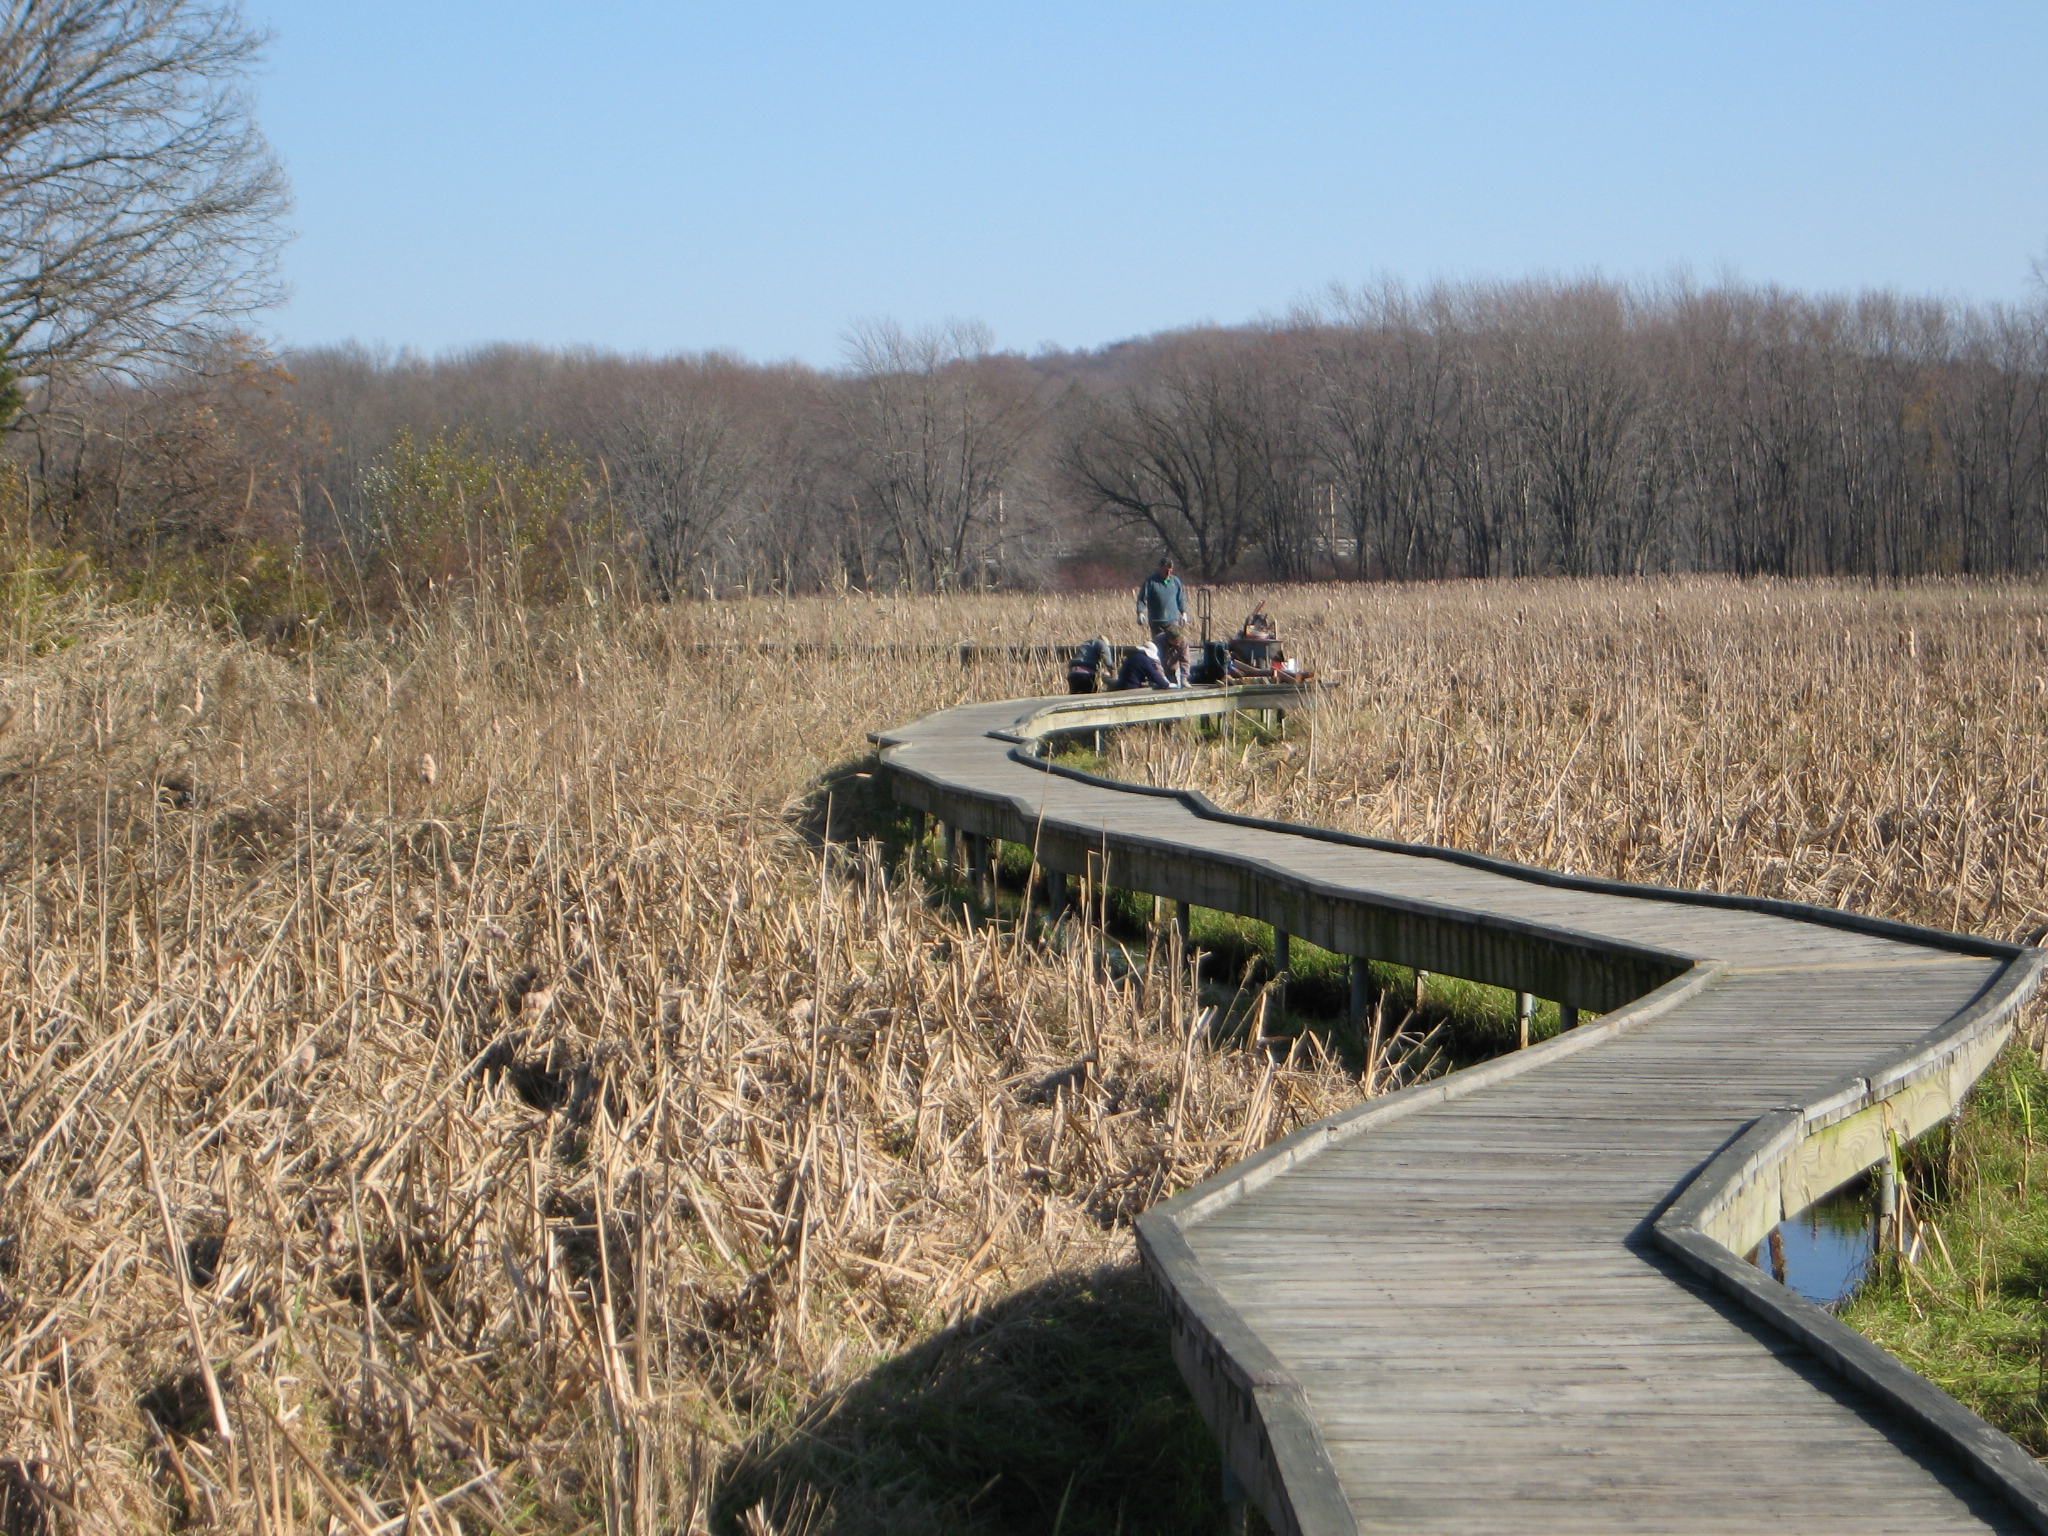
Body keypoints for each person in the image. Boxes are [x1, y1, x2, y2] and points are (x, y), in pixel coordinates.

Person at [1135, 556, 1187, 643]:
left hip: (1172, 619)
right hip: (1157, 621)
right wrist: (1140, 612)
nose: (1168, 573)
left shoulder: (1175, 581)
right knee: (1159, 645)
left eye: (1170, 570)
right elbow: (1142, 598)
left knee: (1175, 643)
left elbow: (1180, 597)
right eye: (1166, 570)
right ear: (1160, 569)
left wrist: (1183, 613)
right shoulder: (1151, 582)